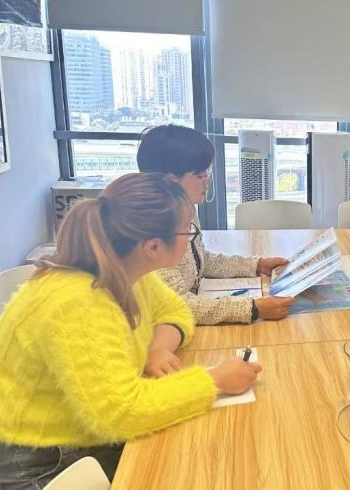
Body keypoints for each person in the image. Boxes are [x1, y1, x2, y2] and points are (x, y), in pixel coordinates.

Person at [0, 173, 262, 487]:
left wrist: (158, 347)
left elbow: (175, 311)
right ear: (153, 246)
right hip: (46, 460)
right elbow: (122, 413)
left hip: (89, 429)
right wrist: (214, 380)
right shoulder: (76, 301)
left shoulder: (124, 267)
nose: (190, 237)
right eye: (187, 230)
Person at [137, 125, 294, 325]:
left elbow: (201, 261)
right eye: (200, 175)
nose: (208, 180)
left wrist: (256, 265)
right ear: (170, 180)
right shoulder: (150, 229)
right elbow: (174, 304)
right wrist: (252, 308)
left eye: (208, 172)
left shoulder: (184, 208)